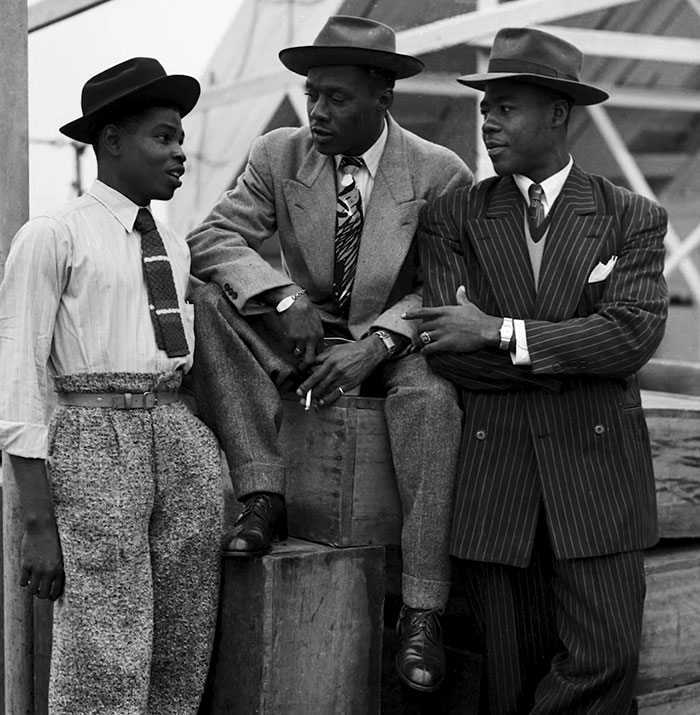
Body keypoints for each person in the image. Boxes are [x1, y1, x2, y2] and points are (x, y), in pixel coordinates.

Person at [186, 15, 472, 692]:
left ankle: (423, 610)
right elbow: (211, 240)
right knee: (206, 300)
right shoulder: (277, 155)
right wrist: (280, 294)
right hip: (301, 332)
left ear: (383, 99)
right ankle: (262, 492)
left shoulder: (440, 172)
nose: (316, 110)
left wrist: (376, 344)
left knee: (433, 394)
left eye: (336, 98)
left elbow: (449, 285)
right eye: (312, 93)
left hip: (399, 340)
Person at [404, 27, 669, 714]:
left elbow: (634, 334)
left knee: (605, 660)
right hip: (499, 484)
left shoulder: (632, 215)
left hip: (599, 483)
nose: (488, 119)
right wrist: (584, 358)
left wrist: (501, 331)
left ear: (559, 113)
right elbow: (450, 355)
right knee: (508, 679)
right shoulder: (452, 215)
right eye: (486, 106)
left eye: (507, 105)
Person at [0, 58, 223, 714]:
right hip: (92, 437)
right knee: (104, 646)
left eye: (182, 138)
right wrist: (38, 520)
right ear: (112, 142)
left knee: (181, 641)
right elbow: (16, 379)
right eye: (163, 137)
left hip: (176, 435)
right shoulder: (53, 236)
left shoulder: (174, 244)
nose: (180, 153)